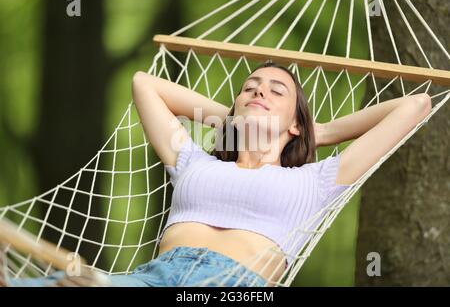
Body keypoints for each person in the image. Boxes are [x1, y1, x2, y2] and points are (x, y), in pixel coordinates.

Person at [2, 61, 432, 287]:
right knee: (62, 284)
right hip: (152, 278)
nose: (259, 90)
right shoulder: (192, 161)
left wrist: (318, 132)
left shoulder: (316, 180)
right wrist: (233, 120)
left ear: (296, 123)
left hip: (229, 286)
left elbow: (414, 106)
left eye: (275, 91)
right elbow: (144, 84)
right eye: (249, 87)